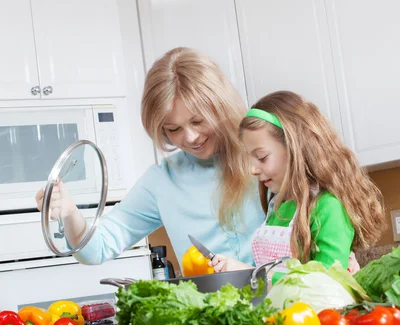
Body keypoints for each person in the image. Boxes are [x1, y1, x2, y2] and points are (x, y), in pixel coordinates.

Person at [35, 48, 264, 267]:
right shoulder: (163, 181)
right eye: (174, 129)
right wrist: (70, 213)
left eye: (198, 121)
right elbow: (97, 249)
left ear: (220, 106)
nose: (191, 137)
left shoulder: (264, 157)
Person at [210, 91, 386, 275]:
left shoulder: (329, 207)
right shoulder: (277, 206)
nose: (252, 170)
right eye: (250, 159)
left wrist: (251, 275)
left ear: (297, 149)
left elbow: (326, 284)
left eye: (261, 157)